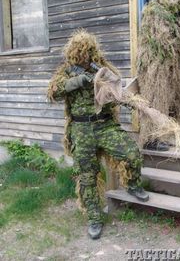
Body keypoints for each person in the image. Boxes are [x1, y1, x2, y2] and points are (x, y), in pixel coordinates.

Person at [47, 29, 149, 240]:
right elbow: (53, 92)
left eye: (88, 52)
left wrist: (119, 93)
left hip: (105, 125)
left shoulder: (102, 67)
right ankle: (94, 217)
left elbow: (118, 87)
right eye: (81, 53)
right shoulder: (66, 71)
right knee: (87, 176)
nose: (85, 56)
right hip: (81, 130)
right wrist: (77, 81)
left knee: (131, 153)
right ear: (74, 53)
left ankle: (132, 184)